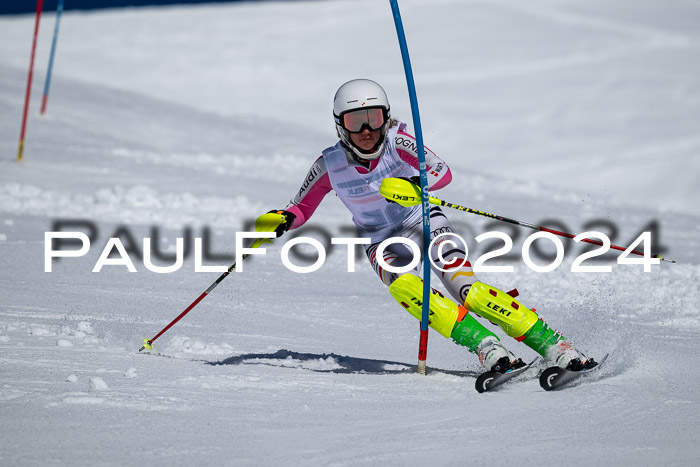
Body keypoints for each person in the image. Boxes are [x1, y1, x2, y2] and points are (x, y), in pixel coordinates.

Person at [256, 79, 596, 374]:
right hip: (381, 240)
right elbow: (300, 206)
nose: (366, 131)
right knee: (409, 291)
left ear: (385, 119)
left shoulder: (398, 141)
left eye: (373, 119)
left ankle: (555, 346)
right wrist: (284, 219)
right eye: (355, 121)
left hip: (422, 221)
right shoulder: (329, 164)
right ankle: (488, 348)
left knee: (468, 290)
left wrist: (417, 184)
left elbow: (441, 171)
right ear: (340, 125)